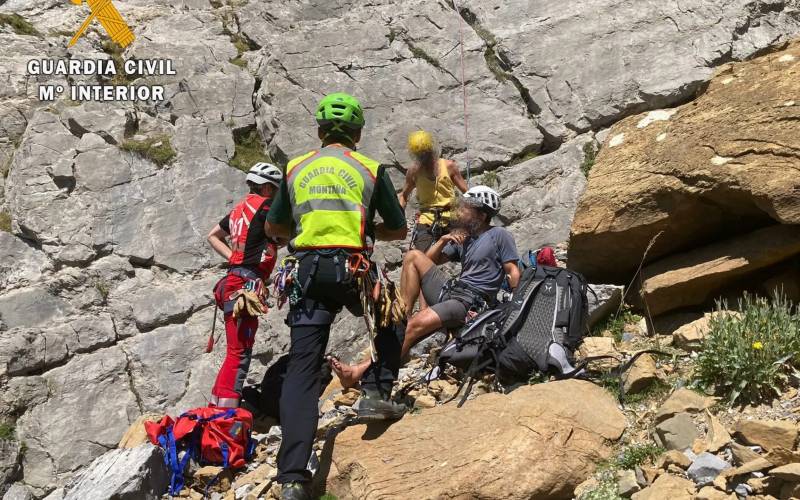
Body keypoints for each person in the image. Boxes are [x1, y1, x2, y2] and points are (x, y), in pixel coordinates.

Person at [264, 92, 408, 500]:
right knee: (391, 317)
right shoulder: (369, 168)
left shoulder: (294, 168)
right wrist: (366, 230)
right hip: (354, 269)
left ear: (319, 130)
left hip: (306, 273)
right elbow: (397, 229)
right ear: (358, 132)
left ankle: (292, 478)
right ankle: (377, 393)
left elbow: (276, 229)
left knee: (303, 371)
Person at [332, 186, 521, 388]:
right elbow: (430, 260)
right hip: (452, 290)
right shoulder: (465, 238)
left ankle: (360, 373)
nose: (461, 211)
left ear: (482, 215)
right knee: (413, 256)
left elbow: (512, 271)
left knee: (415, 325)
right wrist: (442, 240)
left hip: (470, 302)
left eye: (467, 208)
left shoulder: (499, 235)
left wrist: (514, 308)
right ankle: (401, 317)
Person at [206, 162, 283, 408]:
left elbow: (213, 236)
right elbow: (284, 232)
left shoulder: (238, 210)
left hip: (233, 279)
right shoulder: (267, 207)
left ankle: (217, 406)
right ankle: (226, 414)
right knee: (240, 352)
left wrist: (233, 258)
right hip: (246, 284)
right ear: (269, 189)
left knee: (234, 350)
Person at [399, 130, 468, 252]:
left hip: (451, 216)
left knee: (466, 248)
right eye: (421, 155)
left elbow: (467, 192)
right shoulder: (414, 172)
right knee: (420, 257)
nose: (424, 157)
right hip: (427, 219)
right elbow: (404, 195)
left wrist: (469, 215)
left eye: (425, 153)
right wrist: (399, 217)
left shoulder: (448, 166)